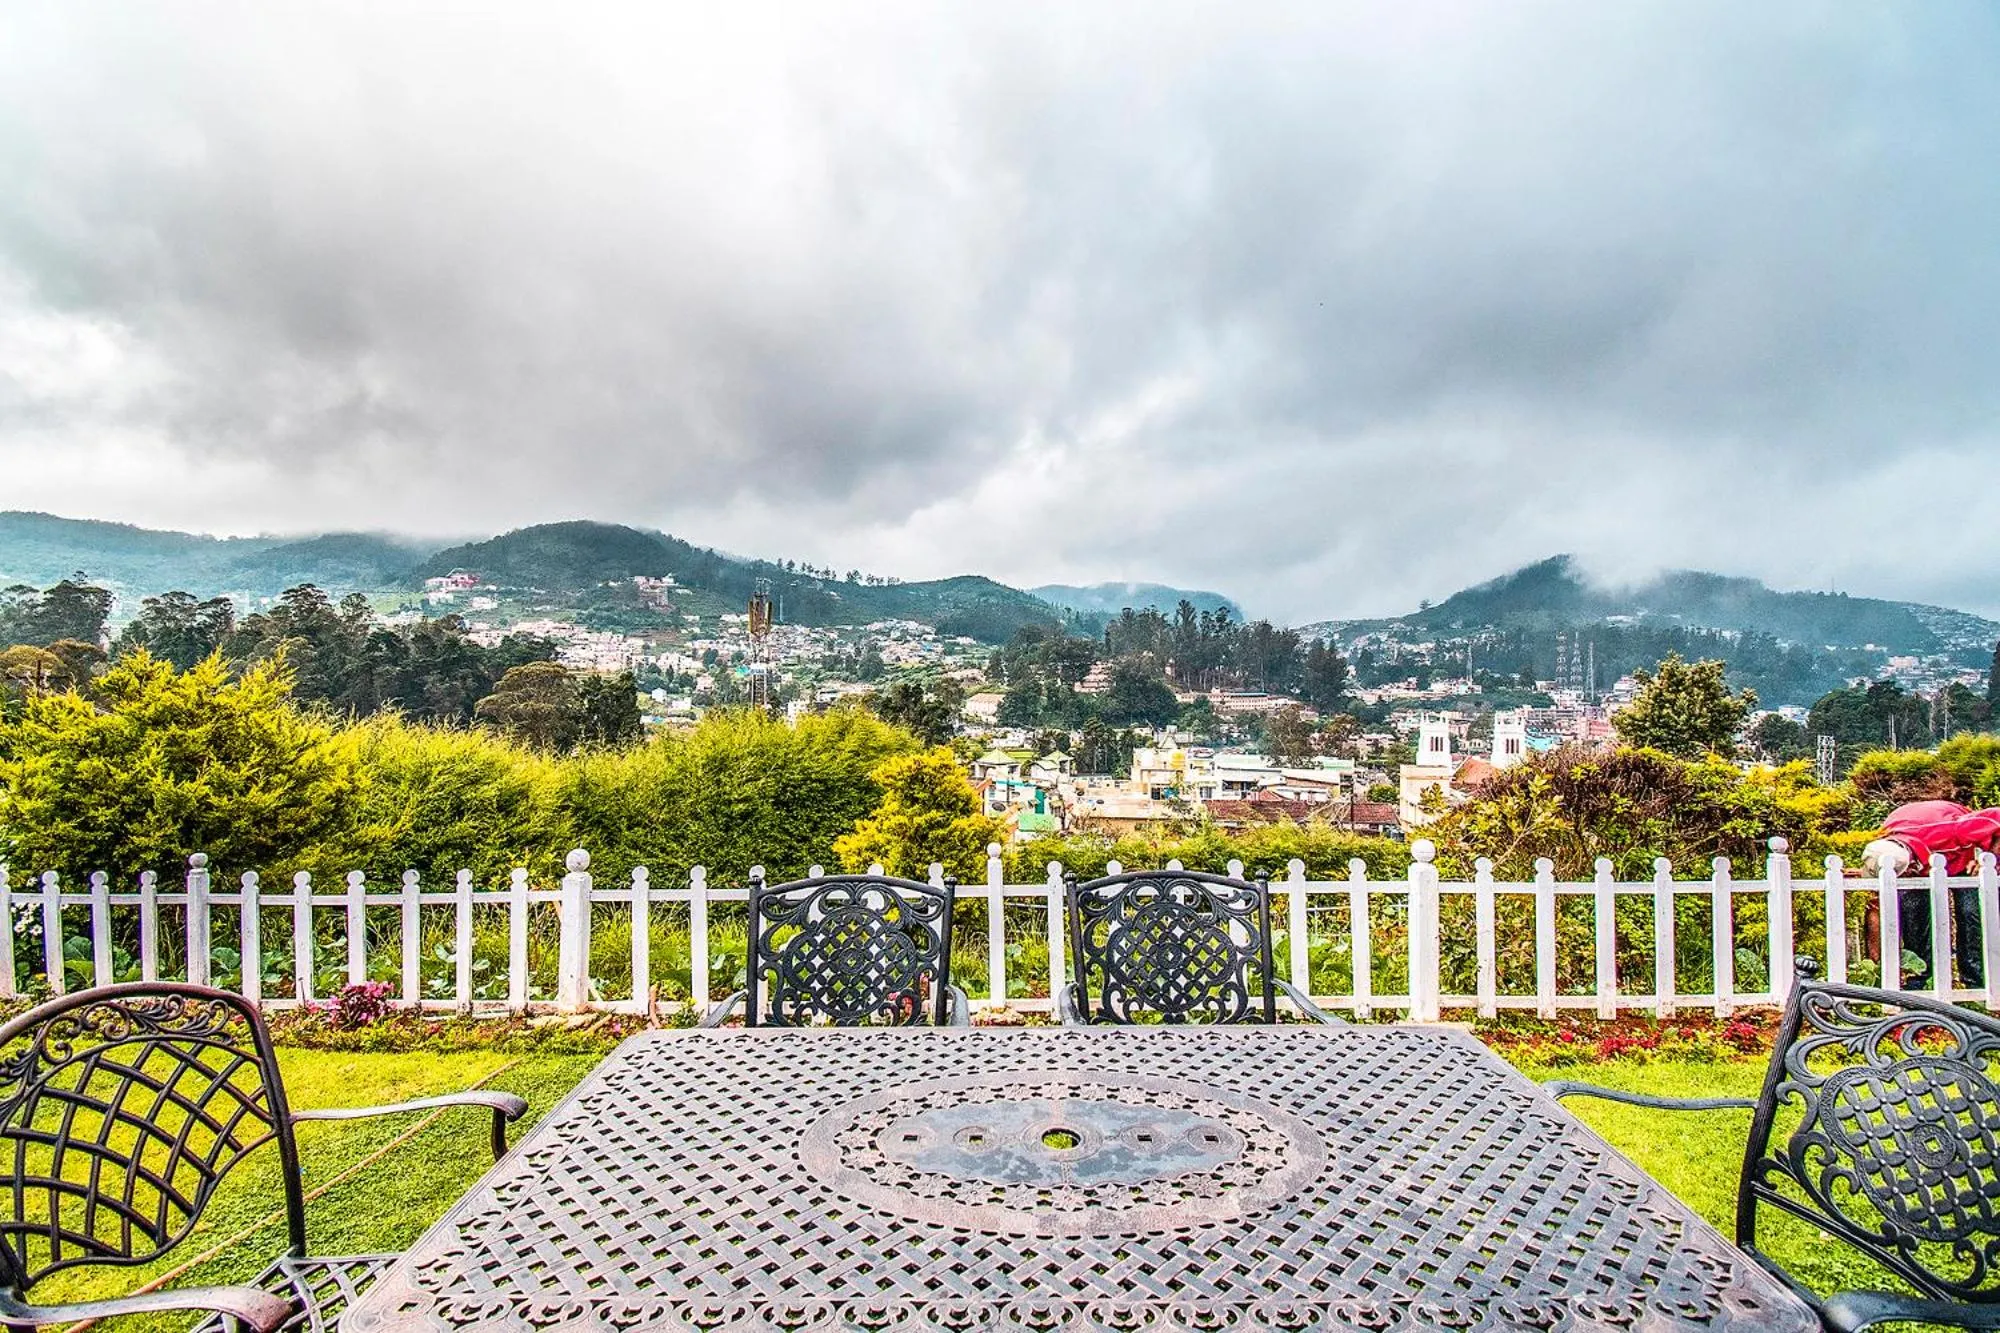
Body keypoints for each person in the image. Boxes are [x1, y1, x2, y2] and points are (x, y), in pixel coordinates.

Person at [1861, 800, 2000, 987]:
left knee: (1970, 912)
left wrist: (1990, 859)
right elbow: (1876, 908)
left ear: (1910, 866)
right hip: (1921, 850)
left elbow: (1997, 817)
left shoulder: (1951, 829)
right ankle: (1919, 980)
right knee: (1913, 910)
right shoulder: (1883, 845)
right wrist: (1877, 967)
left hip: (1960, 859)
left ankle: (1976, 981)